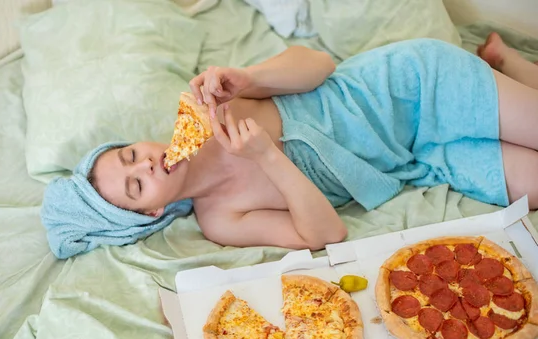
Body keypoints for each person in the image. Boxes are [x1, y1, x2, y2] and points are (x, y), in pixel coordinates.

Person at [41, 33, 538, 259]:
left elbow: (319, 63)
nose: (147, 163)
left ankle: (496, 73)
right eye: (136, 185)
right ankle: (503, 67)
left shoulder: (211, 106)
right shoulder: (221, 220)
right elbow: (326, 233)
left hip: (407, 88)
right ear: (149, 215)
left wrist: (250, 77)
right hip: (417, 159)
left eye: (131, 154)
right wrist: (267, 158)